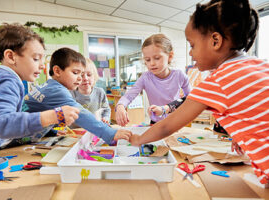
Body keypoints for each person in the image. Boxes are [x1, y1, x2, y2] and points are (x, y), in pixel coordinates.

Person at [130, 0, 269, 184]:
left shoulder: (218, 80)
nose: (190, 54)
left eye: (192, 45)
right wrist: (244, 134)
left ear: (216, 41)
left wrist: (138, 139)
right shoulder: (261, 65)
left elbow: (167, 126)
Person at [0, 24, 79, 172]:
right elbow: (2, 124)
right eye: (35, 59)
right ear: (10, 56)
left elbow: (9, 124)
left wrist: (50, 130)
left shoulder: (2, 78)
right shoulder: (7, 81)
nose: (42, 66)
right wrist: (55, 115)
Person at [24, 48, 132, 144]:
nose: (80, 78)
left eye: (82, 74)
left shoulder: (49, 86)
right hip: (15, 137)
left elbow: (41, 111)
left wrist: (51, 131)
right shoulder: (57, 91)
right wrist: (110, 134)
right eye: (76, 73)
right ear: (57, 71)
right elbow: (80, 114)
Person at [115, 34, 191, 126]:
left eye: (157, 58)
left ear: (170, 56)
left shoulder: (179, 75)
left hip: (176, 122)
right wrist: (120, 106)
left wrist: (167, 109)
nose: (152, 63)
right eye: (147, 60)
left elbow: (191, 98)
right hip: (156, 123)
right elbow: (128, 96)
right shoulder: (145, 78)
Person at [70, 58, 111, 127]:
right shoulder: (70, 94)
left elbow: (106, 109)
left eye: (89, 75)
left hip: (95, 129)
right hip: (76, 131)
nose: (85, 78)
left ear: (94, 76)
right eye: (81, 75)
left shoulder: (100, 92)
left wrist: (105, 118)